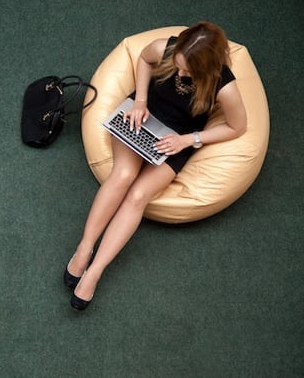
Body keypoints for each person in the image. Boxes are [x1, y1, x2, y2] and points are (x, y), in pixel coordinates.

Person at [64, 22, 247, 311]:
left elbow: (237, 128)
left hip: (178, 137)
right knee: (123, 174)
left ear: (208, 67)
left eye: (189, 71)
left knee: (139, 195)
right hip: (143, 115)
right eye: (178, 66)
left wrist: (188, 140)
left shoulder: (224, 85)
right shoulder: (165, 47)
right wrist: (140, 100)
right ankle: (84, 248)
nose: (181, 74)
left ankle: (96, 270)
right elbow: (144, 60)